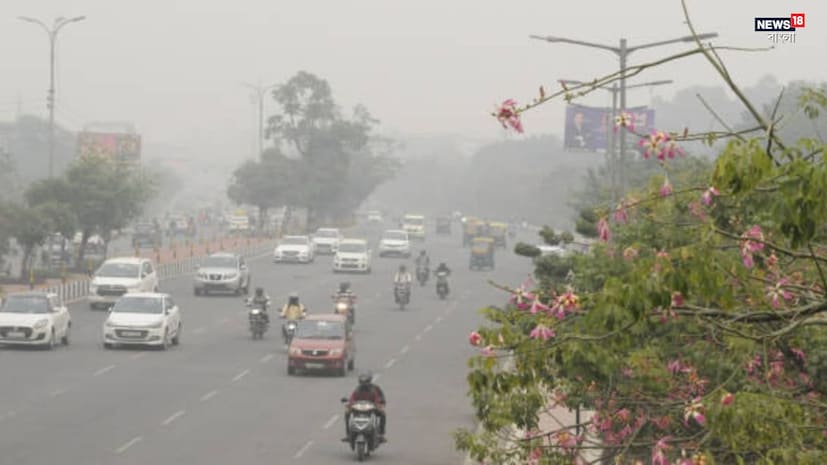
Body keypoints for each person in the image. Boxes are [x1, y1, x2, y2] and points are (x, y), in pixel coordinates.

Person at [343, 371, 387, 442]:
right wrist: (349, 404)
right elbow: (352, 398)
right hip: (358, 408)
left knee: (383, 414)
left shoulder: (375, 389)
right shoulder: (357, 390)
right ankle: (349, 434)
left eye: (366, 382)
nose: (364, 384)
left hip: (372, 408)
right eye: (362, 382)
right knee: (347, 413)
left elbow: (378, 399)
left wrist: (379, 404)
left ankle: (381, 434)